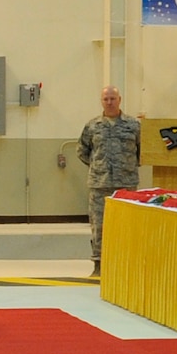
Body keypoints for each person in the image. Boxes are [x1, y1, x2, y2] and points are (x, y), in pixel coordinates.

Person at [77, 86, 142, 277]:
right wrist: (99, 167)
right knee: (99, 226)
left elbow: (142, 150)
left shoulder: (133, 125)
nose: (109, 102)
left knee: (127, 226)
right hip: (100, 185)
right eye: (106, 99)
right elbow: (82, 150)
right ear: (101, 101)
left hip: (126, 184)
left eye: (113, 98)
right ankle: (99, 266)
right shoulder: (92, 126)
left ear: (120, 100)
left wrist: (127, 167)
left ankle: (125, 266)